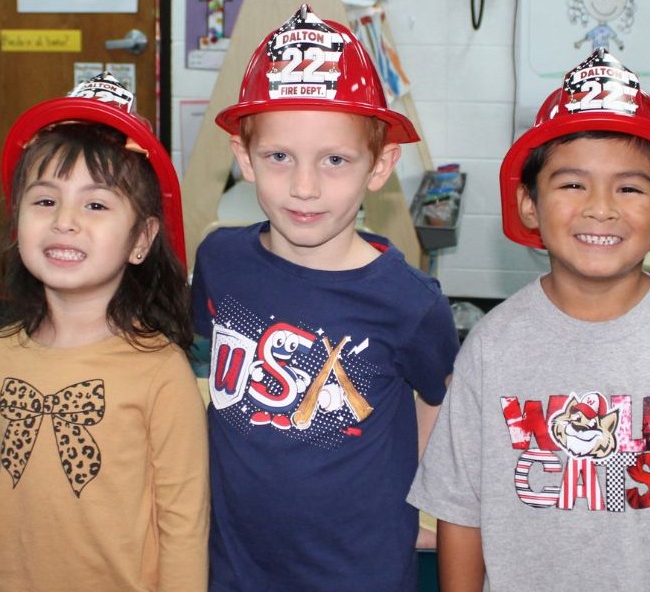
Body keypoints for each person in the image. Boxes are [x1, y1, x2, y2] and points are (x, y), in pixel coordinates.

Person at [408, 49, 650, 591]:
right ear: (529, 204)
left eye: (630, 187)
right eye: (572, 184)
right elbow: (460, 510)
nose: (601, 207)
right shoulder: (492, 344)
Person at [191, 5, 458, 590]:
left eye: (335, 160)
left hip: (357, 566)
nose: (304, 187)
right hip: (235, 558)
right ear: (244, 157)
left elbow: (436, 398)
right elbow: (212, 378)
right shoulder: (220, 261)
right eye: (278, 157)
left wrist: (415, 497)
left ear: (379, 165)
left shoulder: (409, 302)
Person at [0, 72, 208, 592]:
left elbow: (184, 523)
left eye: (96, 204)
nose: (65, 221)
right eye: (45, 200)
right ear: (18, 220)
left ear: (141, 239)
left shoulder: (159, 370)